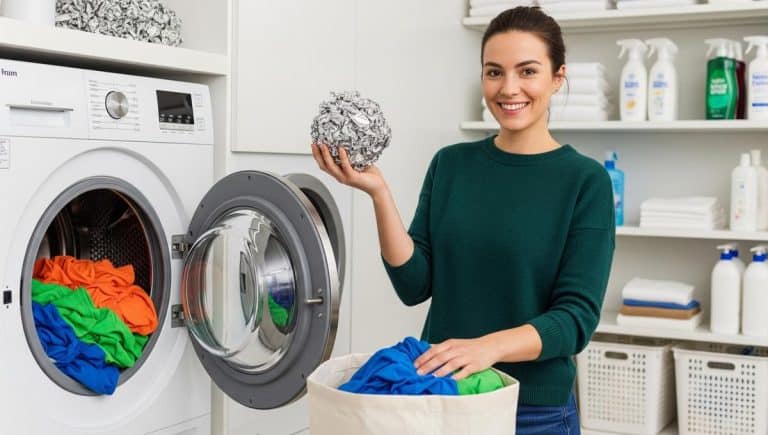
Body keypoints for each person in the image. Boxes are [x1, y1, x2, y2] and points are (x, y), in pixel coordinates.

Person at [311, 6, 614, 434]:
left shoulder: (585, 181)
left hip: (532, 412)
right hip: (442, 397)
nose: (508, 88)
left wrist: (488, 348)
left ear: (557, 77)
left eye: (527, 71)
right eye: (494, 72)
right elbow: (414, 285)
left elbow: (575, 319)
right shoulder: (451, 164)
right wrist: (379, 193)